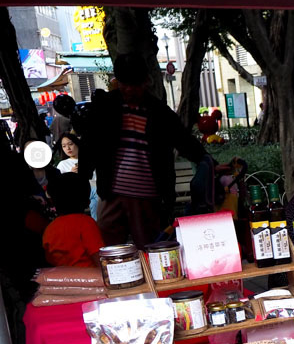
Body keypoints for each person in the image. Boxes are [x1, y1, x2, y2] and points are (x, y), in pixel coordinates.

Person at [76, 52, 206, 248]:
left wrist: (207, 161)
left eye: (135, 84)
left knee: (150, 250)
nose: (129, 90)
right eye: (124, 84)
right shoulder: (104, 107)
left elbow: (184, 141)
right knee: (109, 250)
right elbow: (89, 144)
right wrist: (82, 180)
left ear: (146, 82)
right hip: (111, 193)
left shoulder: (159, 112)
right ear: (117, 82)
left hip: (148, 196)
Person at [43, 173, 104, 267]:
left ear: (52, 201)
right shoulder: (86, 223)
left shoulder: (49, 229)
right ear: (87, 202)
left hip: (59, 279)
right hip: (89, 278)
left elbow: (49, 260)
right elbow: (99, 258)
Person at [56, 132, 99, 220]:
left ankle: (97, 227)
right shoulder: (62, 164)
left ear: (77, 143)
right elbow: (60, 186)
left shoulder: (89, 160)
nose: (67, 148)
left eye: (70, 144)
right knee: (96, 192)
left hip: (93, 188)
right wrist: (71, 175)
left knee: (94, 204)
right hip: (76, 192)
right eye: (64, 146)